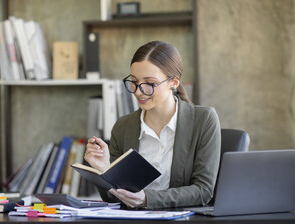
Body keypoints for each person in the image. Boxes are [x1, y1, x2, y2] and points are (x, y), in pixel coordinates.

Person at [84, 41, 221, 209]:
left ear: (174, 82)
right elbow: (113, 200)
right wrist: (105, 170)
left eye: (149, 83)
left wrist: (147, 199)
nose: (139, 91)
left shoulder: (203, 120)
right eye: (134, 81)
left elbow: (203, 191)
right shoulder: (123, 126)